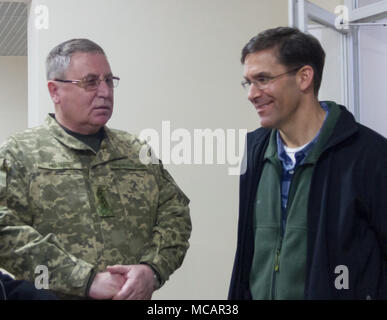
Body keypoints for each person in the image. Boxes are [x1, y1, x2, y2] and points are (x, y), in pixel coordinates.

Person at [0, 38, 191, 300]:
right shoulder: (18, 154)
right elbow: (4, 230)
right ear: (54, 91)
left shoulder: (136, 151)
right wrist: (84, 279)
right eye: (90, 82)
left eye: (109, 81)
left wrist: (152, 269)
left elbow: (176, 214)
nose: (105, 92)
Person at [228, 27, 387, 300]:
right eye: (248, 82)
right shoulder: (255, 151)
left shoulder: (370, 155)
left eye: (263, 79)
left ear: (304, 77)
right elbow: (249, 254)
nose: (252, 94)